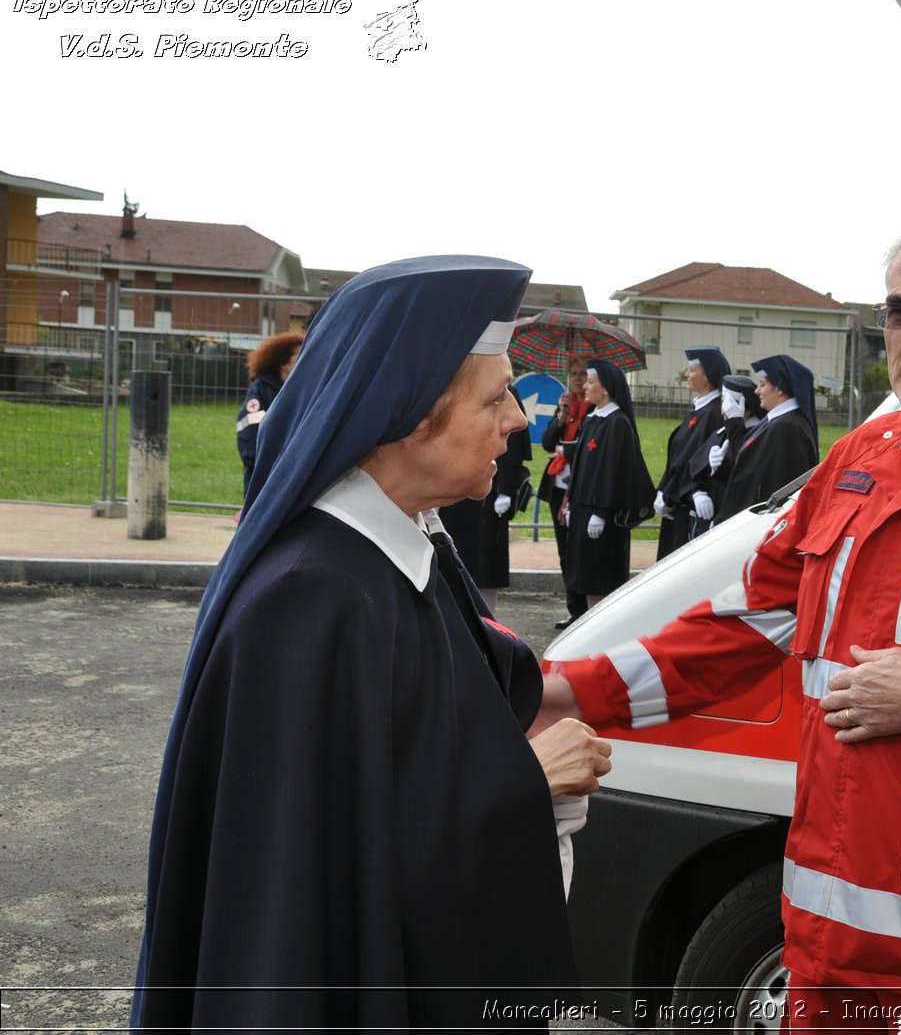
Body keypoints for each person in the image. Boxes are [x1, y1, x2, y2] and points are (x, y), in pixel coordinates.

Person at [541, 210, 901, 1028]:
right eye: (898, 311)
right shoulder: (860, 459)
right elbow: (741, 626)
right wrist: (565, 691)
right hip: (814, 955)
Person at [131, 255, 613, 1032]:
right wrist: (523, 782)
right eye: (496, 397)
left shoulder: (402, 547)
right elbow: (309, 879)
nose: (520, 419)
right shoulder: (310, 600)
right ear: (412, 413)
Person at [562, 358, 655, 608]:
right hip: (583, 510)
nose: (585, 386)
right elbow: (582, 468)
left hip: (601, 516)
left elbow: (616, 473)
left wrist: (601, 512)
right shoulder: (593, 419)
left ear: (606, 388)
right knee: (586, 576)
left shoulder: (618, 423)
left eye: (591, 381)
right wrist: (571, 503)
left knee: (601, 578)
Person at [437, 422, 533, 612]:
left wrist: (505, 489)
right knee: (455, 552)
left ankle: (486, 616)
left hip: (488, 489)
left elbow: (511, 442)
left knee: (486, 557)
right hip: (457, 484)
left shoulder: (505, 393)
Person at [717, 353, 819, 520]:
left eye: (762, 385)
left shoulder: (787, 426)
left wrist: (735, 423)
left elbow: (750, 467)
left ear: (779, 387)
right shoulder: (778, 420)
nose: (757, 391)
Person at [655, 345, 730, 559]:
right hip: (678, 499)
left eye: (692, 370)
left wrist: (693, 490)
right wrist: (664, 489)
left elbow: (701, 461)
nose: (687, 374)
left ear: (708, 374)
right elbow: (679, 456)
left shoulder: (715, 412)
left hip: (694, 505)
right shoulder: (698, 409)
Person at [539, 357, 592, 627]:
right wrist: (560, 417)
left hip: (580, 489)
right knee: (564, 549)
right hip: (558, 487)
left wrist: (563, 450)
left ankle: (587, 608)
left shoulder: (593, 408)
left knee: (579, 549)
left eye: (583, 373)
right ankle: (574, 608)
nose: (579, 378)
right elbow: (546, 441)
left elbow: (582, 448)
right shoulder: (565, 404)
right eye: (574, 373)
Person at [687, 373, 761, 534]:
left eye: (731, 403)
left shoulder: (756, 436)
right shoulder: (719, 433)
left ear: (747, 409)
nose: (724, 409)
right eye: (723, 402)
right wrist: (698, 492)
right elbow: (694, 469)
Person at [235, 329, 303, 498]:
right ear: (283, 362)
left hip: (297, 479)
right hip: (264, 482)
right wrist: (269, 467)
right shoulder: (260, 391)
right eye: (299, 355)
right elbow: (249, 437)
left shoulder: (305, 390)